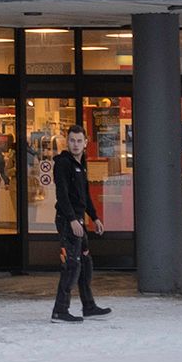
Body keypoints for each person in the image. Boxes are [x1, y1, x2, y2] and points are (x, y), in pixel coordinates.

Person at [51, 127, 111, 322]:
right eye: (72, 140)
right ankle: (60, 310)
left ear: (85, 143)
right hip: (68, 220)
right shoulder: (63, 164)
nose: (75, 144)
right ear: (67, 142)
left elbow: (84, 195)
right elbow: (62, 194)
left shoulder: (80, 164)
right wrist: (72, 220)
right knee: (72, 264)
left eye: (79, 141)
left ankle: (89, 306)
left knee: (85, 263)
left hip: (78, 219)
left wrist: (95, 218)